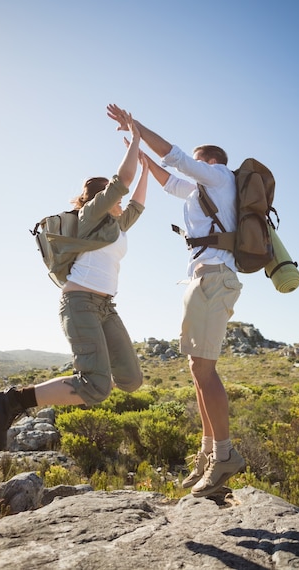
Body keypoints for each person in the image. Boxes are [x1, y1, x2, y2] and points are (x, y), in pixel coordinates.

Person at [0, 110, 149, 452]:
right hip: (79, 303)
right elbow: (123, 181)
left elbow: (137, 202)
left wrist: (146, 165)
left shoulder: (114, 228)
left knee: (132, 381)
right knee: (96, 388)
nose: (121, 202)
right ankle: (12, 401)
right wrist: (135, 140)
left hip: (105, 306)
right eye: (114, 197)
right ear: (101, 199)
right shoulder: (91, 217)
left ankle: (84, 377)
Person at [107, 103, 245, 497]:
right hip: (202, 278)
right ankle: (208, 454)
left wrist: (138, 127)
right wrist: (137, 149)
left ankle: (224, 456)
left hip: (214, 278)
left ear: (212, 162)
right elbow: (169, 179)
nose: (194, 167)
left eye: (199, 162)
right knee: (196, 368)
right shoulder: (203, 192)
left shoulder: (219, 176)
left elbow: (177, 158)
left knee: (206, 370)